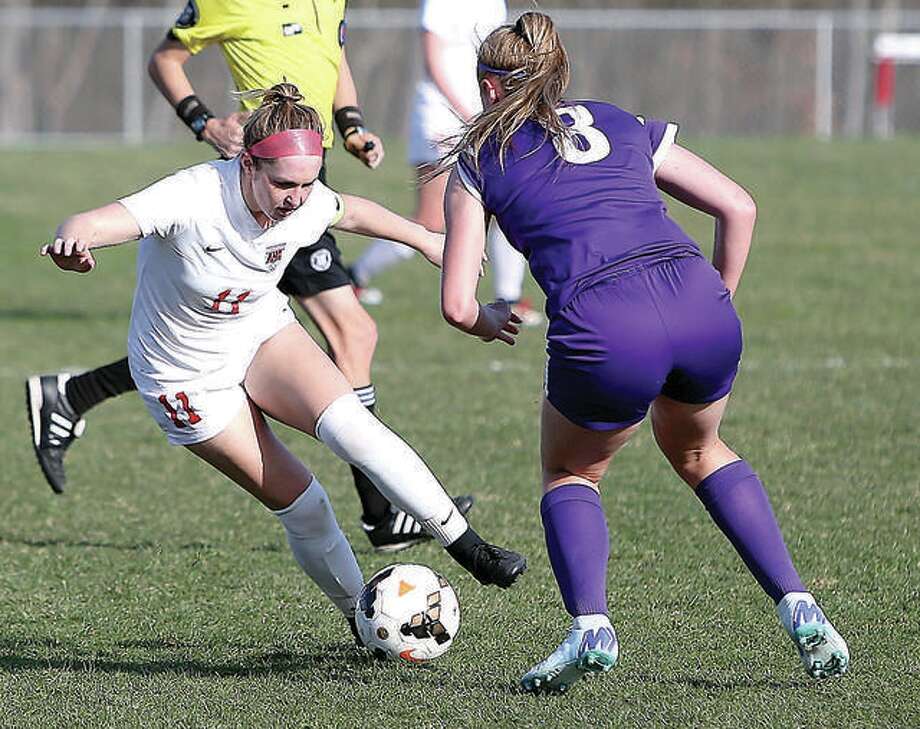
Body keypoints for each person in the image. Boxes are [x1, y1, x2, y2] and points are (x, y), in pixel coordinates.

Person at [438, 12, 849, 693]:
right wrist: (717, 296)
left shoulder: (480, 157)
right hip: (696, 300)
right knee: (700, 451)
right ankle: (801, 605)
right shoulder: (616, 119)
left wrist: (487, 321)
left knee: (571, 471)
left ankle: (591, 625)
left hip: (605, 323)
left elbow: (456, 303)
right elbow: (738, 207)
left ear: (488, 88)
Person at [38, 84, 526, 642]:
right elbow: (90, 223)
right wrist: (73, 245)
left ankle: (469, 547)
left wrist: (425, 240)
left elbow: (352, 211)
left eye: (309, 181)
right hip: (187, 381)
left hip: (259, 331)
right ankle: (360, 618)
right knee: (308, 506)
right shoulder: (192, 195)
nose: (298, 197)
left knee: (356, 430)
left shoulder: (307, 196)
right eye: (284, 184)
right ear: (247, 163)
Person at [25, 0, 473, 552]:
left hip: (303, 181)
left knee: (238, 326)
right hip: (260, 184)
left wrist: (351, 125)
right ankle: (381, 513)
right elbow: (165, 58)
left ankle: (72, 393)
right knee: (351, 332)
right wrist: (204, 121)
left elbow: (334, 55)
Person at [347, 0, 542, 326]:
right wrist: (467, 113)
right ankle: (355, 275)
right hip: (442, 118)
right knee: (431, 220)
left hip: (486, 114)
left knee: (508, 203)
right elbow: (432, 59)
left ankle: (509, 296)